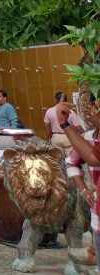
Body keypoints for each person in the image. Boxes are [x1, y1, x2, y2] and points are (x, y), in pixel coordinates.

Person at [56, 98, 100, 267]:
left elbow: (93, 158)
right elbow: (72, 162)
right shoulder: (88, 138)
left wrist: (65, 125)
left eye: (95, 106)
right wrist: (84, 190)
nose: (91, 110)